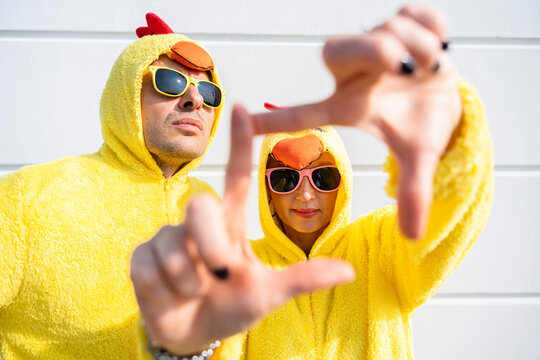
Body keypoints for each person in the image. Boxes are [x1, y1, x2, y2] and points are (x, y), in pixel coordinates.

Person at [130, 4, 493, 360]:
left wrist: (450, 127)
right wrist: (183, 343)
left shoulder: (381, 249)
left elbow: (449, 216)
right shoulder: (243, 265)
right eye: (285, 178)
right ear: (266, 189)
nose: (305, 194)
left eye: (323, 176)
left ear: (344, 179)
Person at [0, 13, 227, 359]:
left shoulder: (210, 205)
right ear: (127, 92)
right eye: (170, 81)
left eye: (209, 92)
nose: (194, 100)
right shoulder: (26, 198)